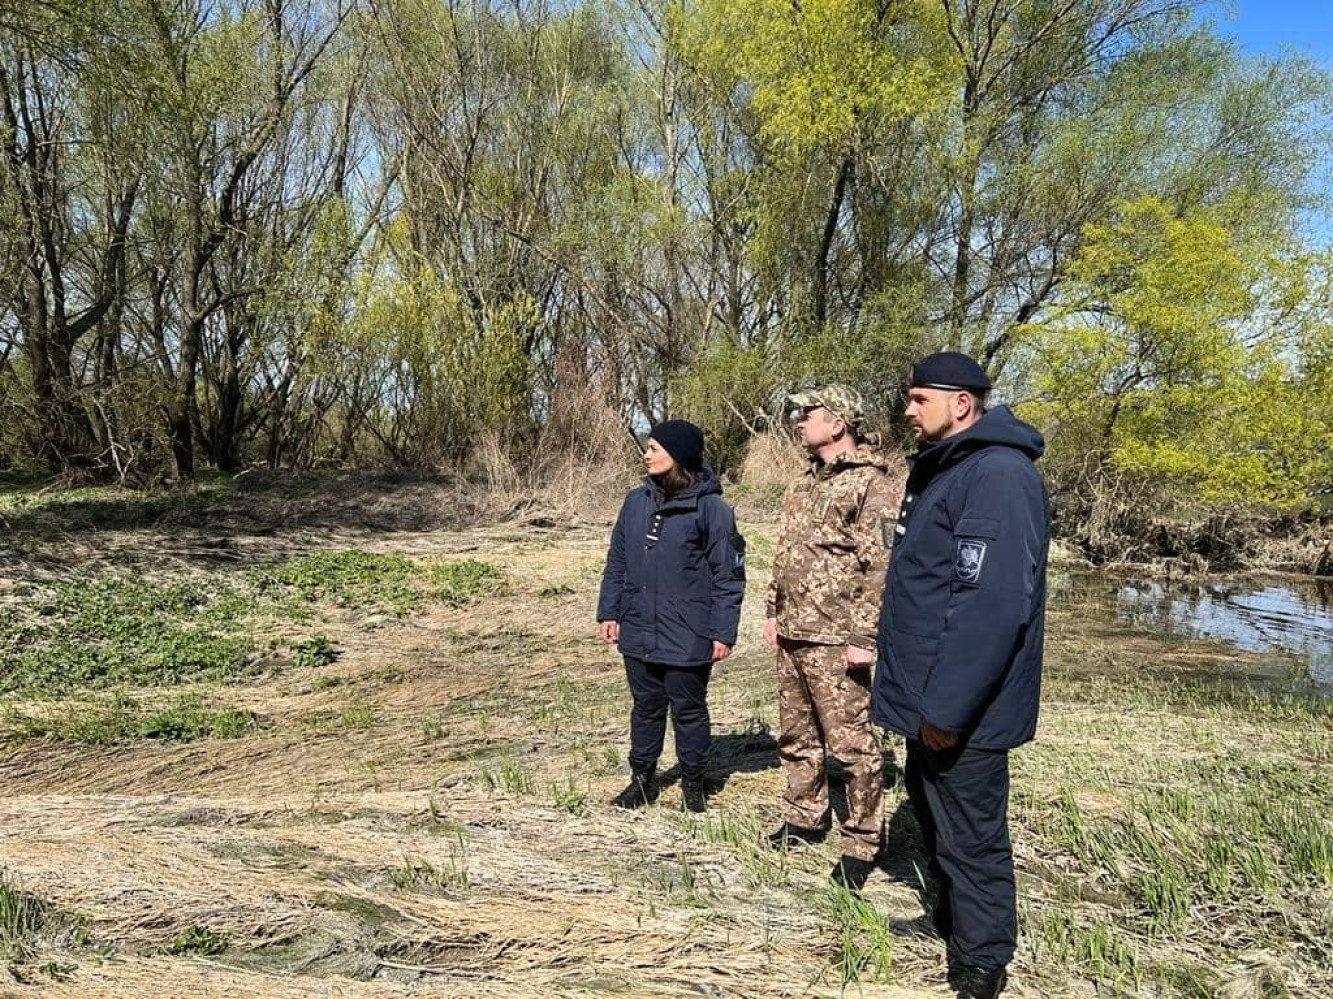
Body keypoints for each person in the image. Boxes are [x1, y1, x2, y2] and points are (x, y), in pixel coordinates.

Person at [871, 352, 1049, 999]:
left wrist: (946, 709)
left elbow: (989, 609)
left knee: (972, 836)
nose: (908, 410)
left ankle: (982, 963)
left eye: (920, 398)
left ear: (962, 403)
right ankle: (953, 923)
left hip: (962, 708)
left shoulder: (997, 475)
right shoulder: (948, 468)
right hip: (928, 698)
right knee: (936, 818)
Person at [762, 384, 905, 891]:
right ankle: (804, 816)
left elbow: (880, 566)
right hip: (794, 629)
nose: (799, 421)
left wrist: (865, 635)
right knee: (796, 735)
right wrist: (773, 610)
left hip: (836, 636)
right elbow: (786, 552)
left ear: (838, 422)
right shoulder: (803, 482)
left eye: (810, 413)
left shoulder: (873, 485)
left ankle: (862, 841)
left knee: (850, 745)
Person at [597, 419, 746, 814]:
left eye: (654, 449)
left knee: (689, 711)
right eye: (647, 448)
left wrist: (723, 631)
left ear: (678, 455)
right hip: (638, 625)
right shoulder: (636, 502)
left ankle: (693, 783)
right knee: (645, 707)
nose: (646, 455)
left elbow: (728, 575)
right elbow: (617, 561)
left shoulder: (711, 509)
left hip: (689, 631)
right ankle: (641, 780)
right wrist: (609, 610)